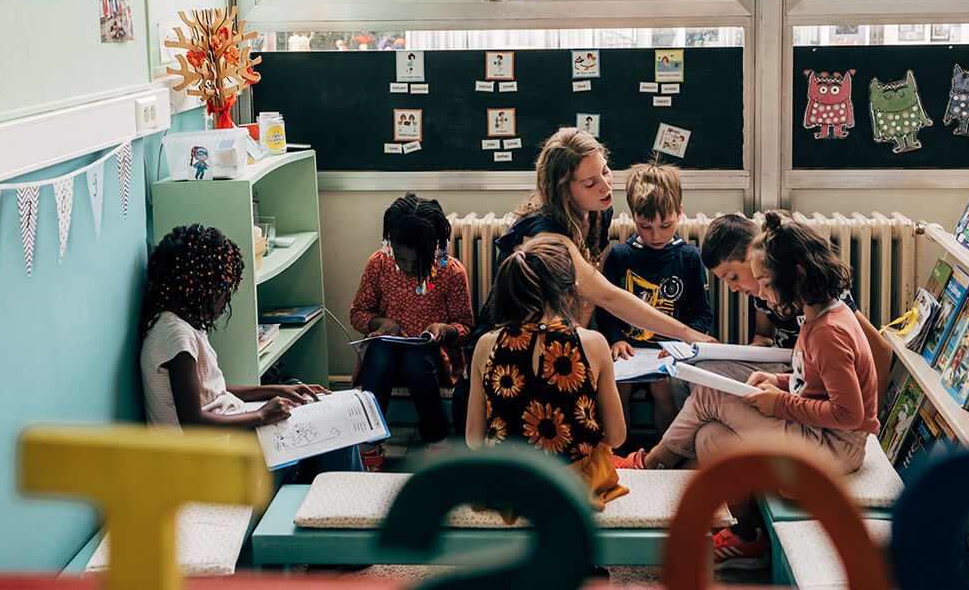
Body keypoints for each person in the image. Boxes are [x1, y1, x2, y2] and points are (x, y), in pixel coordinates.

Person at [617, 212, 881, 571]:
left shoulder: (829, 330)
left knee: (710, 396)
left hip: (834, 451)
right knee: (711, 437)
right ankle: (747, 537)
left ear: (797, 275)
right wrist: (780, 382)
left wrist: (781, 402)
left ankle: (652, 462)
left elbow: (852, 416)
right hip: (818, 435)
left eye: (767, 284)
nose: (765, 297)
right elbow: (811, 382)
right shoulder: (812, 316)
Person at [451, 128, 714, 433]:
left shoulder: (598, 211)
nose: (605, 187)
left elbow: (586, 297)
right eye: (591, 183)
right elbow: (607, 295)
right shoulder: (544, 232)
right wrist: (687, 334)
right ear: (564, 190)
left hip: (560, 332)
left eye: (605, 171)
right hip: (515, 347)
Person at [138, 225, 362, 481]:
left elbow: (215, 391)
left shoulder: (180, 324)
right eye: (224, 291)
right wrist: (261, 415)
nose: (225, 303)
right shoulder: (176, 336)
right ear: (203, 286)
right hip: (208, 456)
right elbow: (193, 423)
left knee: (321, 417)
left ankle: (324, 495)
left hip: (225, 437)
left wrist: (275, 389)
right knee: (335, 432)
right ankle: (337, 504)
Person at [466, 238, 628, 507]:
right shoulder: (594, 344)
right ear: (568, 294)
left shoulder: (486, 346)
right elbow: (616, 436)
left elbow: (473, 439)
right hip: (573, 487)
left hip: (510, 485)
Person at [699, 213, 893, 404]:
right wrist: (751, 352)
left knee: (707, 385)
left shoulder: (815, 293)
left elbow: (881, 350)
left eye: (733, 277)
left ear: (754, 254)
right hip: (782, 364)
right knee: (703, 375)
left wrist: (875, 418)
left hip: (803, 371)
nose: (733, 288)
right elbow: (764, 335)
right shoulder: (760, 294)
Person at [350, 194, 474, 470]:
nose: (405, 267)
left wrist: (446, 330)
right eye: (400, 257)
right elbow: (357, 313)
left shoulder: (451, 272)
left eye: (414, 262)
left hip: (433, 359)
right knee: (381, 353)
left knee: (415, 359)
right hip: (386, 359)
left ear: (435, 251)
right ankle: (370, 441)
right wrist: (378, 324)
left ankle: (437, 437)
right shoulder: (379, 264)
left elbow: (466, 328)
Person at [596, 161, 712, 443]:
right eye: (645, 226)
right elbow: (605, 308)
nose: (656, 235)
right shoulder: (620, 256)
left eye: (666, 225)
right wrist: (615, 340)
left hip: (667, 352)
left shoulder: (689, 257)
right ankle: (618, 455)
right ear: (633, 217)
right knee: (617, 388)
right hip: (628, 350)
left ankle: (667, 454)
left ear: (680, 213)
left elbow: (701, 314)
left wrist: (678, 346)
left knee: (662, 389)